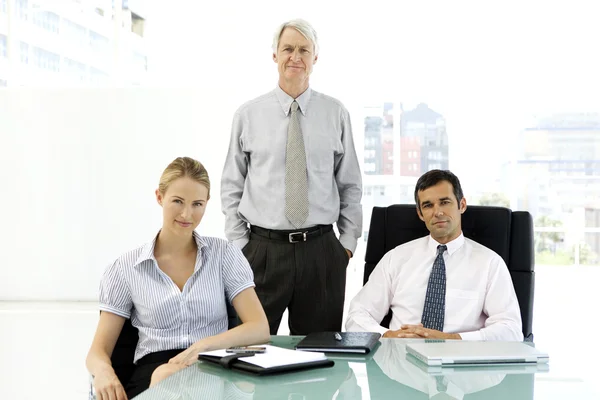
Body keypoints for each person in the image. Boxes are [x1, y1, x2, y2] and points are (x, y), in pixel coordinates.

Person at [221, 19, 362, 335]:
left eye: (304, 50)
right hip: (262, 251)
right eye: (288, 49)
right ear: (275, 55)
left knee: (319, 357)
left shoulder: (335, 113)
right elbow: (232, 183)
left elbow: (350, 184)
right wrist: (240, 245)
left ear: (315, 58)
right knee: (250, 352)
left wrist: (347, 245)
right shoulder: (248, 115)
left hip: (322, 252)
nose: (295, 57)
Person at [86, 157, 270, 400]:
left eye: (197, 204)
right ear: (159, 197)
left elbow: (259, 327)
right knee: (165, 374)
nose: (187, 214)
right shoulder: (125, 268)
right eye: (178, 201)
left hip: (211, 366)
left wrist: (203, 346)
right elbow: (98, 351)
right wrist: (103, 373)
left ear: (207, 204)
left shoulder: (225, 255)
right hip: (152, 373)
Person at [346, 169, 523, 341]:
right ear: (420, 214)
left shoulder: (490, 263)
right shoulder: (396, 258)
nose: (437, 212)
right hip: (400, 359)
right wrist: (389, 335)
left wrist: (453, 339)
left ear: (462, 205)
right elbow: (357, 316)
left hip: (461, 362)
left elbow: (511, 330)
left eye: (445, 202)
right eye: (428, 205)